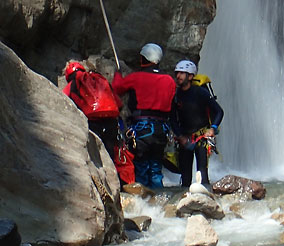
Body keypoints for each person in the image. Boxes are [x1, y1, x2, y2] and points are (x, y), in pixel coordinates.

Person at [112, 43, 176, 189]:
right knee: (155, 167)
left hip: (142, 128)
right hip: (162, 130)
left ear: (145, 58)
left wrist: (117, 74)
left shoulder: (137, 78)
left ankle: (143, 203)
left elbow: (117, 88)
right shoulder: (169, 81)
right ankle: (159, 203)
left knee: (141, 167)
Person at [170, 60, 224, 190]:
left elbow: (219, 111)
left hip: (201, 138)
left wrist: (213, 128)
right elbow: (172, 118)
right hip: (184, 139)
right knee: (185, 177)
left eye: (182, 73)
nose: (178, 76)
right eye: (177, 73)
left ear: (190, 76)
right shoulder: (176, 95)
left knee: (202, 173)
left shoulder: (200, 93)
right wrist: (180, 136)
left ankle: (206, 200)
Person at [63, 61, 122, 163]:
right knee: (110, 155)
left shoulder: (72, 84)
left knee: (95, 158)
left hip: (91, 124)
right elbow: (119, 104)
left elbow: (62, 102)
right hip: (110, 123)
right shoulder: (100, 80)